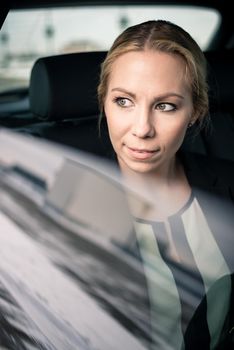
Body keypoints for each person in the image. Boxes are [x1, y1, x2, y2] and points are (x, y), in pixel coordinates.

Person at [97, 20, 234, 349]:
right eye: (124, 101)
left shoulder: (229, 185)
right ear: (104, 101)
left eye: (165, 106)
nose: (142, 128)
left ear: (195, 112)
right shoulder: (64, 191)